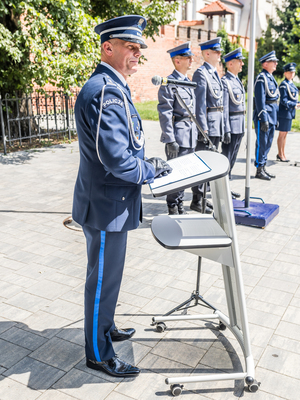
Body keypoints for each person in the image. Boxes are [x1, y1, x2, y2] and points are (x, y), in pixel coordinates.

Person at [72, 15, 171, 379]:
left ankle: (106, 326)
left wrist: (146, 164)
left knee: (109, 277)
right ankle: (99, 354)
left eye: (138, 49)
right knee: (101, 281)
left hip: (110, 203)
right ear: (107, 48)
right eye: (129, 47)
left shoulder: (114, 86)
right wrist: (151, 171)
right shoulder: (105, 91)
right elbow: (115, 159)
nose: (136, 54)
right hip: (105, 206)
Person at [157, 42, 197, 215]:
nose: (191, 61)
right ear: (178, 60)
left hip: (190, 133)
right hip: (178, 134)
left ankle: (180, 202)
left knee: (185, 172)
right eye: (188, 58)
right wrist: (170, 139)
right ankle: (172, 205)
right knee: (175, 172)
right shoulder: (168, 83)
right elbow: (165, 112)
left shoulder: (188, 82)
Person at [191, 37, 223, 213]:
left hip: (216, 124)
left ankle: (204, 196)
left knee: (210, 162)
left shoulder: (214, 73)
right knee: (203, 162)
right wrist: (202, 128)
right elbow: (200, 104)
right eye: (216, 51)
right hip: (208, 126)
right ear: (207, 53)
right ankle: (197, 199)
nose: (219, 55)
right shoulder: (201, 73)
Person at [221, 47, 246, 199]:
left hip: (239, 125)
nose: (242, 64)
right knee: (227, 159)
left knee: (233, 159)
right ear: (230, 64)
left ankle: (227, 187)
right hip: (231, 125)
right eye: (239, 61)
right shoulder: (225, 82)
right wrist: (226, 129)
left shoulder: (236, 81)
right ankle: (224, 189)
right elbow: (224, 108)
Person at [253, 51, 279, 180]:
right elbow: (260, 100)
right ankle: (259, 169)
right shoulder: (261, 78)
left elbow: (274, 100)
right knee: (262, 143)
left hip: (272, 115)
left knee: (268, 143)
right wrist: (263, 119)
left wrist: (276, 117)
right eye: (273, 61)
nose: (276, 63)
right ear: (265, 64)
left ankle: (263, 166)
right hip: (264, 116)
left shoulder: (270, 77)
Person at [277, 62, 299, 162]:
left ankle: (282, 153)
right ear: (285, 73)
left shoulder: (292, 85)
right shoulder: (283, 85)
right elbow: (284, 101)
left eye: (293, 72)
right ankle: (280, 154)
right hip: (284, 112)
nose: (291, 74)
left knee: (285, 133)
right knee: (282, 134)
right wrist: (294, 105)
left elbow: (294, 98)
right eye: (289, 72)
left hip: (290, 112)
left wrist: (297, 103)